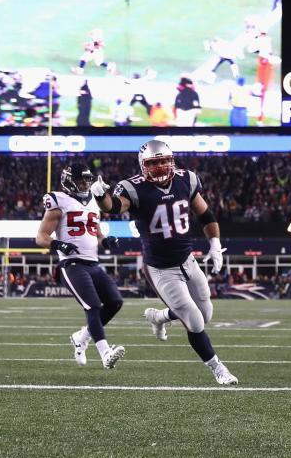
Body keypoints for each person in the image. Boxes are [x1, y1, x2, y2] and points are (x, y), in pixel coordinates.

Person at [92, 139, 237, 385]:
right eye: (153, 163)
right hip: (161, 268)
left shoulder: (187, 179)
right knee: (194, 320)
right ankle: (218, 368)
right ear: (143, 166)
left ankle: (159, 317)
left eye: (163, 161)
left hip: (187, 260)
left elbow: (206, 214)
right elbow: (114, 207)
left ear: (172, 161)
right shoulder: (133, 188)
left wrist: (214, 244)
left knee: (206, 314)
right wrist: (100, 196)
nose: (159, 167)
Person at [35, 163, 125, 369]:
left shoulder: (94, 201)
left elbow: (97, 234)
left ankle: (81, 337)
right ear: (68, 181)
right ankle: (105, 353)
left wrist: (106, 241)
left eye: (87, 179)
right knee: (92, 305)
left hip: (93, 263)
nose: (85, 183)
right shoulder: (59, 200)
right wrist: (58, 244)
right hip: (72, 264)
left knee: (114, 302)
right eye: (80, 180)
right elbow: (41, 237)